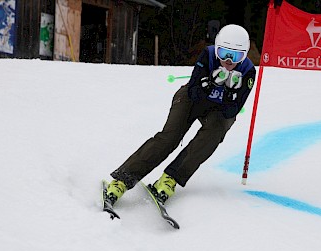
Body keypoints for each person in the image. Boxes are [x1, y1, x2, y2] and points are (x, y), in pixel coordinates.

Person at [104, 24, 256, 207]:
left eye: (236, 55)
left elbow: (232, 111)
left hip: (218, 110)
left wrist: (230, 93)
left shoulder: (248, 71)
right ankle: (122, 179)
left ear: (245, 55)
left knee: (214, 133)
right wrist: (208, 84)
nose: (229, 60)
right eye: (223, 53)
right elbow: (193, 91)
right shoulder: (207, 56)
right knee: (169, 138)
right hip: (190, 100)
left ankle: (169, 179)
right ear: (216, 49)